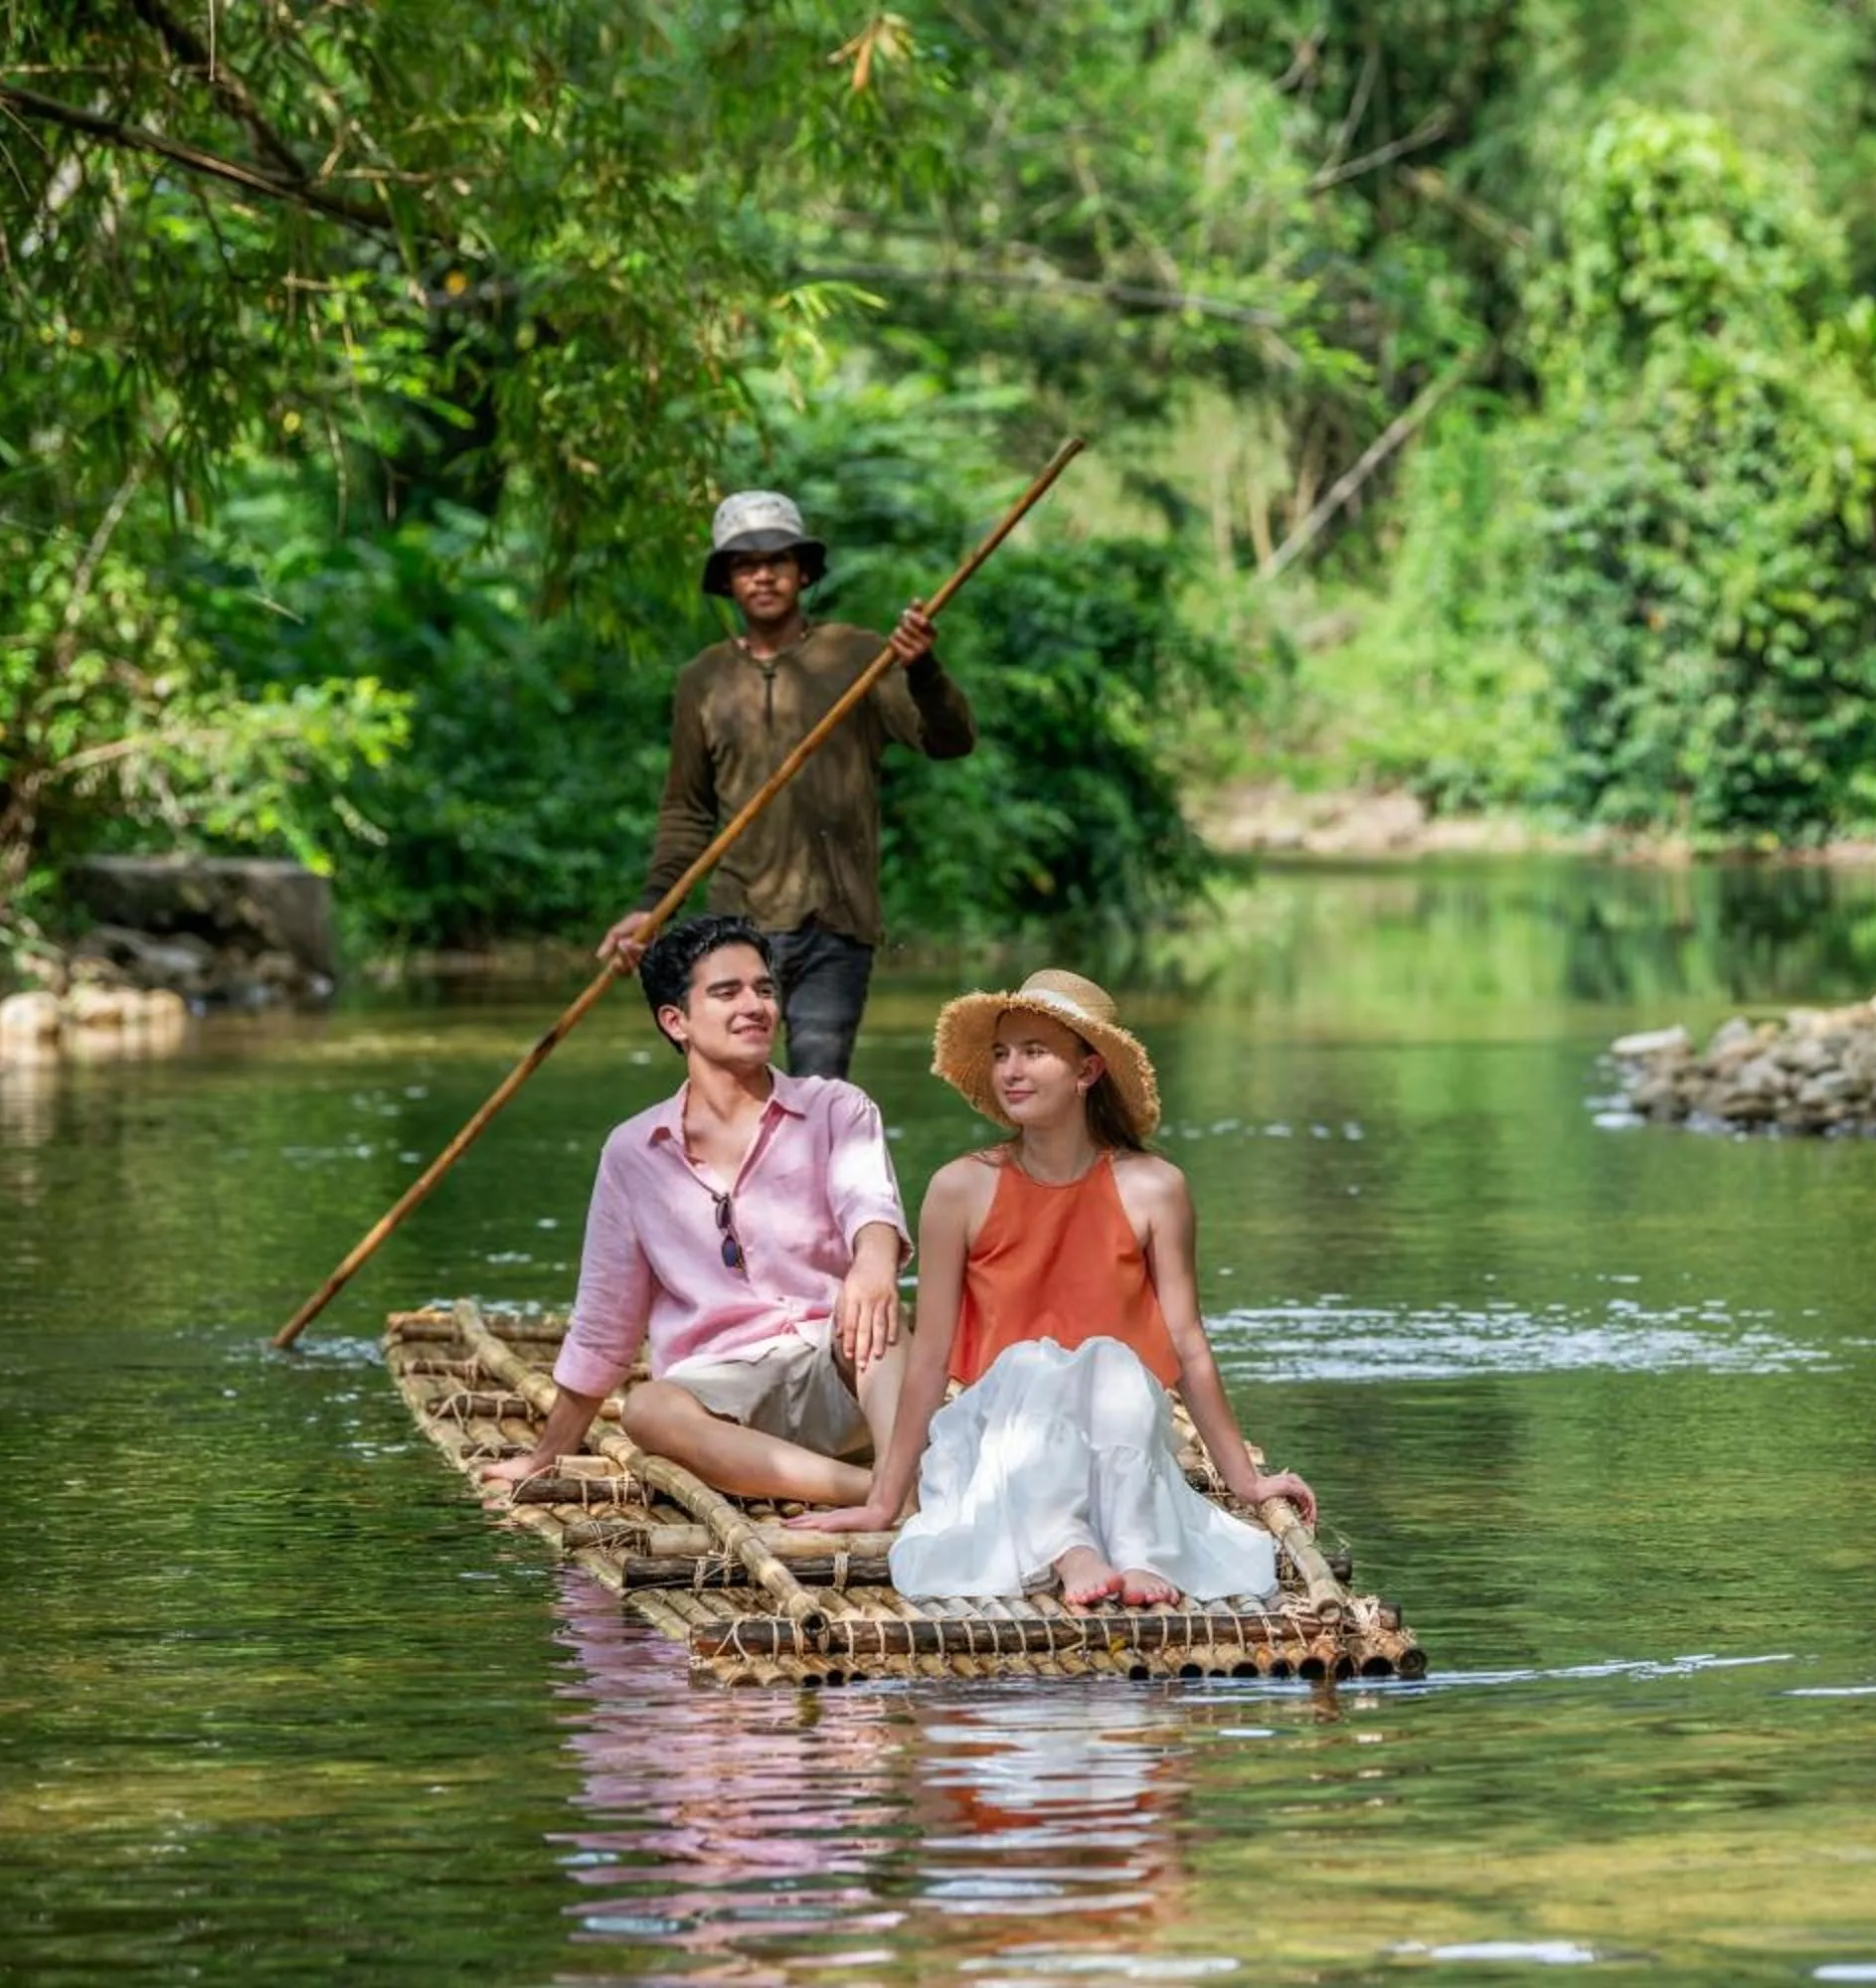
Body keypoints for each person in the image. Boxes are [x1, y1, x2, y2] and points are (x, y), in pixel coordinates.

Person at [798, 969, 1317, 1611]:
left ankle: (1137, 1549)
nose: (1011, 1070)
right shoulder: (960, 1189)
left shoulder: (1155, 1188)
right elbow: (929, 1357)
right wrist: (884, 1500)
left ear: (1087, 1071)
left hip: (1115, 1439)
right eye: (1001, 1053)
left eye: (1034, 1051)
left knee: (1111, 1365)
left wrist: (1246, 1482)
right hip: (1003, 1439)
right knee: (1032, 1363)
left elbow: (1187, 1346)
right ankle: (1069, 1548)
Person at [479, 913, 910, 1520]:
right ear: (675, 1021)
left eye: (763, 989)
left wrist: (874, 1263)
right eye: (727, 992)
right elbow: (606, 1323)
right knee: (647, 1410)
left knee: (874, 1314)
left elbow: (871, 1207)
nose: (755, 1006)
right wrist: (547, 1456)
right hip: (722, 1402)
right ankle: (879, 1493)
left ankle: (896, 1475)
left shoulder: (836, 1107)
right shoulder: (633, 1152)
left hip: (838, 1367)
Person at [597, 490, 977, 1077]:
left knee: (818, 1087)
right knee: (732, 1082)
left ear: (803, 572)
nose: (763, 575)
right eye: (745, 565)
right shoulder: (703, 679)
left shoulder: (859, 655)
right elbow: (687, 811)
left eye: (777, 560)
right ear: (728, 581)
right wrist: (651, 907)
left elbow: (949, 741)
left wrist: (922, 668)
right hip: (738, 922)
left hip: (836, 919)